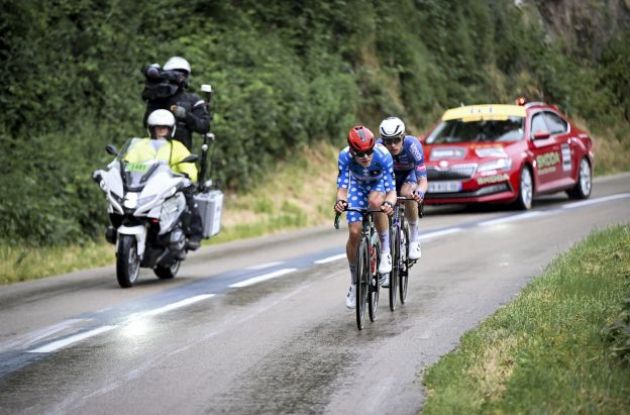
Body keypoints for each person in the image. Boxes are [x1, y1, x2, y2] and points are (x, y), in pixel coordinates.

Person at [334, 125, 397, 309]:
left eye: (369, 152)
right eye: (360, 154)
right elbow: (343, 188)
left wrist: (389, 204)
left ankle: (385, 252)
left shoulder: (383, 155)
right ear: (352, 151)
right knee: (354, 232)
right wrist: (341, 202)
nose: (366, 157)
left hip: (377, 186)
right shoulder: (344, 156)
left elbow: (391, 191)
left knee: (376, 203)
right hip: (357, 188)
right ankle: (354, 283)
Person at [126, 109, 204, 250]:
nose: (161, 131)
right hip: (143, 186)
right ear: (151, 129)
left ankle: (195, 234)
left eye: (164, 128)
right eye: (157, 128)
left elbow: (189, 167)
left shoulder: (177, 147)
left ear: (171, 130)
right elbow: (127, 163)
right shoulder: (140, 146)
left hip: (169, 188)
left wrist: (186, 176)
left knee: (189, 198)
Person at [378, 116, 428, 267]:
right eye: (388, 141)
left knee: (407, 193)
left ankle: (414, 238)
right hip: (390, 177)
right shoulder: (378, 149)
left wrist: (419, 193)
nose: (393, 145)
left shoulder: (413, 145)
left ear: (403, 137)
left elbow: (423, 181)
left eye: (397, 140)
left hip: (409, 175)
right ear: (382, 140)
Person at [143, 56, 210, 151]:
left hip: (181, 154)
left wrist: (186, 116)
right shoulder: (157, 97)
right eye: (174, 73)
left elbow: (204, 126)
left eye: (182, 74)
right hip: (155, 152)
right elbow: (147, 123)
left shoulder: (193, 99)